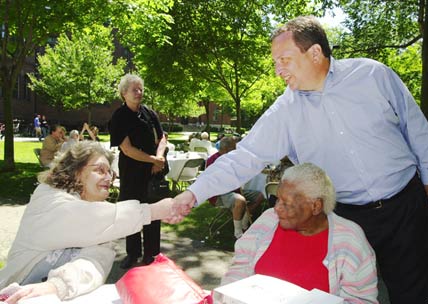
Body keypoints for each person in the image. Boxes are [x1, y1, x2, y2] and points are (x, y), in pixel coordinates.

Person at [171, 15, 428, 304]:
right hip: (346, 218)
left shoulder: (373, 75)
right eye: (276, 62)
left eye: (284, 60)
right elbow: (245, 157)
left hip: (405, 207)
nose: (278, 70)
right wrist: (193, 192)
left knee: (414, 297)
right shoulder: (285, 110)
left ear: (315, 53)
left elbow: (415, 126)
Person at [0, 141, 178, 303]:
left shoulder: (102, 219)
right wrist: (153, 211)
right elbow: (83, 218)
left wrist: (57, 285)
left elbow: (94, 263)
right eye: (100, 170)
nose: (108, 178)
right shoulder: (48, 198)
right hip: (11, 292)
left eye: (111, 173)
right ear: (76, 171)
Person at [222, 163, 378, 303]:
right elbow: (240, 266)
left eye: (287, 204)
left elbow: (361, 300)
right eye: (277, 200)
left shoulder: (350, 240)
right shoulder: (269, 220)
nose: (277, 208)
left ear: (316, 206)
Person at [109, 73, 167, 269]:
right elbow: (126, 149)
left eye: (140, 89)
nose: (139, 92)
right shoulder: (119, 117)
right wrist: (153, 159)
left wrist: (159, 158)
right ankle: (133, 254)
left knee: (153, 213)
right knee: (131, 213)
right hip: (131, 174)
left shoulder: (150, 113)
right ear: (124, 93)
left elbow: (162, 138)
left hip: (153, 174)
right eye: (134, 89)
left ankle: (152, 254)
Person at [207, 136, 264, 239]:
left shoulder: (231, 158)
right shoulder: (213, 160)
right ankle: (238, 233)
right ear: (225, 149)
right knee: (240, 200)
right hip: (220, 193)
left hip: (235, 190)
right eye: (233, 149)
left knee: (259, 196)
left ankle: (244, 223)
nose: (235, 151)